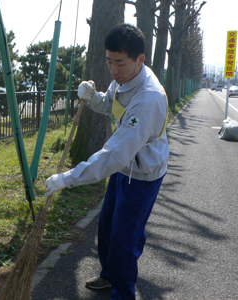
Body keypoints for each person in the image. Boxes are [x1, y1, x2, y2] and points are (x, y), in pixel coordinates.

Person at [45, 24, 169, 300]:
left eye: (120, 63)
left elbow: (114, 153)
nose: (113, 70)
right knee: (107, 223)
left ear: (140, 60)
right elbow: (108, 104)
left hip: (142, 174)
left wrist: (68, 178)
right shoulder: (122, 80)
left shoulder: (148, 98)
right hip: (124, 167)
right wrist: (92, 98)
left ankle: (122, 294)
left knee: (125, 239)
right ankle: (108, 276)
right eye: (109, 62)